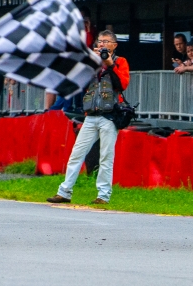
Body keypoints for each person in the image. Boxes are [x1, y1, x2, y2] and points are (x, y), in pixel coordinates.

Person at [47, 30, 130, 205]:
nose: (102, 45)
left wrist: (109, 64)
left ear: (114, 45)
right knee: (76, 153)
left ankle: (103, 195)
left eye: (106, 41)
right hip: (91, 115)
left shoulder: (120, 61)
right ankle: (64, 192)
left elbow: (122, 84)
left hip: (110, 116)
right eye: (100, 41)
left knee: (106, 156)